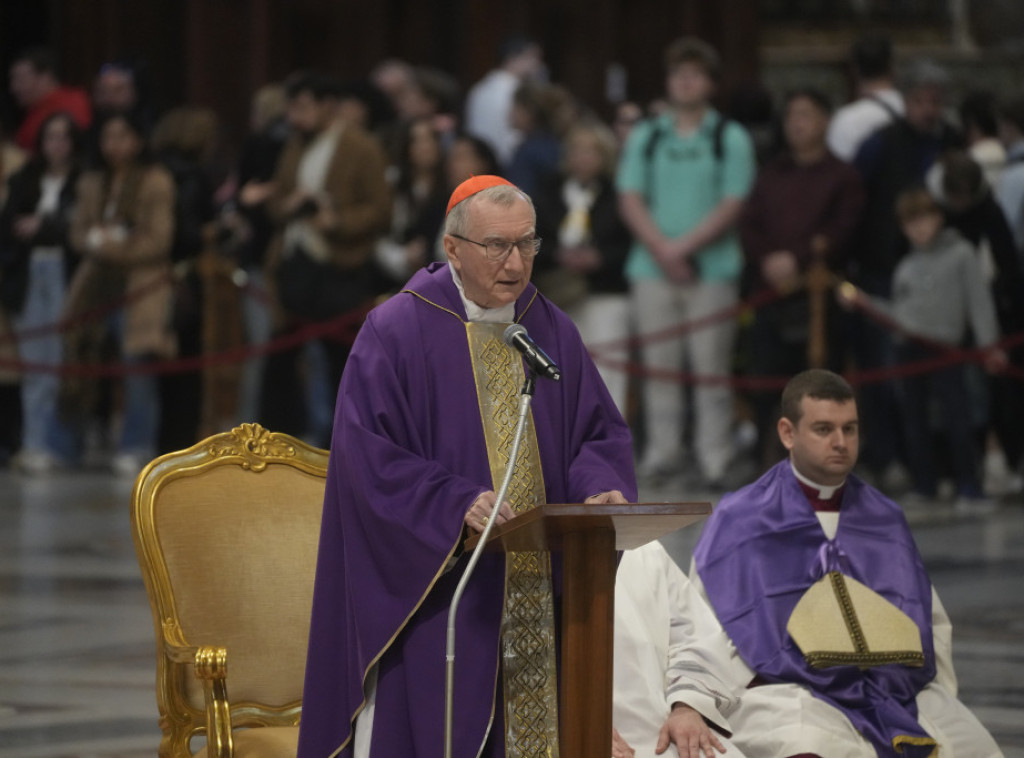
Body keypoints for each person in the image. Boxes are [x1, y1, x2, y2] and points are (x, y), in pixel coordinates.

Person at [297, 175, 637, 758]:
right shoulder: (397, 330)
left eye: (527, 244)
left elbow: (595, 431)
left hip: (540, 593)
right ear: (452, 247)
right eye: (497, 246)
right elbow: (368, 459)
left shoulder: (550, 327)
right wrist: (454, 503)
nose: (516, 262)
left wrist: (599, 488)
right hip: (440, 592)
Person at [692, 369, 1002, 757]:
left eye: (850, 429)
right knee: (808, 742)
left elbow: (928, 618)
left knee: (969, 743)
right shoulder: (740, 518)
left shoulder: (884, 517)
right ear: (788, 433)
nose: (841, 442)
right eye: (824, 429)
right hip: (788, 688)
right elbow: (705, 622)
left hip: (892, 690)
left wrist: (915, 685)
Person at [617, 36, 756, 488]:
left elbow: (734, 200)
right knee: (659, 369)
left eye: (695, 74)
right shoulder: (648, 134)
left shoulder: (728, 136)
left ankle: (715, 457)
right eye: (678, 74)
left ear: (711, 84)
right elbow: (630, 196)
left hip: (711, 269)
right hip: (651, 269)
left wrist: (684, 248)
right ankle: (663, 454)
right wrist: (662, 248)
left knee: (710, 368)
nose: (686, 81)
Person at [842, 188, 1005, 506]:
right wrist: (866, 303)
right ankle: (925, 484)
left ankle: (969, 485)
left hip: (945, 349)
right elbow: (900, 315)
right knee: (914, 419)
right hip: (909, 349)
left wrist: (990, 346)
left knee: (958, 416)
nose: (919, 228)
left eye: (925, 219)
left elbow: (979, 304)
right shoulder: (907, 267)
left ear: (939, 218)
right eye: (910, 222)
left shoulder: (961, 254)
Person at [260, 70, 391, 445]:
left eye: (302, 107)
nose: (293, 118)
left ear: (328, 106)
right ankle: (281, 444)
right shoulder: (294, 145)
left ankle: (340, 446)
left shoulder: (361, 147)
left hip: (339, 265)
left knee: (339, 361)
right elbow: (278, 199)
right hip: (293, 260)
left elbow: (380, 210)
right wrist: (286, 205)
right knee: (282, 358)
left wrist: (337, 220)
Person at [850, 58, 962, 485]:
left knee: (946, 382)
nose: (929, 110)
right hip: (884, 273)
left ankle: (943, 464)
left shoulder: (951, 142)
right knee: (887, 373)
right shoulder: (881, 144)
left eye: (936, 101)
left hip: (941, 276)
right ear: (906, 101)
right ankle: (888, 456)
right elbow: (860, 203)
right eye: (920, 101)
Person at [740, 88, 863, 468]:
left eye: (806, 114)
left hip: (819, 301)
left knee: (819, 386)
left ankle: (822, 462)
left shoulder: (842, 176)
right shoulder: (771, 173)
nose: (797, 123)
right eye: (792, 114)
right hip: (771, 295)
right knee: (767, 384)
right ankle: (768, 459)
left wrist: (798, 258)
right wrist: (768, 260)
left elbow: (843, 229)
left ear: (825, 120)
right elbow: (751, 223)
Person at [64, 111, 177, 476]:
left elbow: (158, 240)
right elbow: (78, 232)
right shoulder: (92, 181)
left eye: (122, 135)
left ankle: (136, 444)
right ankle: (67, 443)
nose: (114, 144)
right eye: (107, 136)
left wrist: (110, 245)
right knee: (77, 360)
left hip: (140, 287)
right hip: (96, 284)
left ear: (138, 140)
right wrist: (95, 241)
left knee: (137, 368)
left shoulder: (155, 180)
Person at [0, 112, 84, 474]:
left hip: (68, 273)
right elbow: (11, 228)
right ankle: (34, 444)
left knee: (64, 359)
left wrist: (44, 226)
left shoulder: (85, 180)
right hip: (30, 274)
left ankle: (61, 443)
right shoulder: (24, 179)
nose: (57, 145)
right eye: (50, 137)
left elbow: (75, 227)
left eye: (64, 137)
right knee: (35, 362)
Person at [613, 540, 751, 758]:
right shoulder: (543, 558)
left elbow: (694, 638)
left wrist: (686, 705)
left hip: (665, 726)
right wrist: (576, 728)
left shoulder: (644, 548)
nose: (613, 503)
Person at [533, 121, 633, 415]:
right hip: (557, 293)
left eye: (592, 152)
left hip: (606, 293)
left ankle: (608, 442)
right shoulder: (548, 192)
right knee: (558, 369)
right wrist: (558, 254)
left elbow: (629, 244)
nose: (583, 158)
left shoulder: (617, 195)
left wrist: (600, 258)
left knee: (607, 372)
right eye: (577, 151)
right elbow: (531, 240)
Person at [464, 34, 546, 166]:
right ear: (512, 58)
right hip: (508, 166)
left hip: (479, 164)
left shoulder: (478, 89)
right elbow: (515, 139)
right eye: (533, 57)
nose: (537, 65)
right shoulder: (518, 92)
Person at [827, 34, 904, 162]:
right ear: (892, 67)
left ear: (854, 70)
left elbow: (836, 175)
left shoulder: (846, 120)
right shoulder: (912, 110)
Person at [8, 48, 92, 153]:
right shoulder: (33, 111)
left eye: (21, 79)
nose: (14, 88)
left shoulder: (73, 103)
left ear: (45, 77)